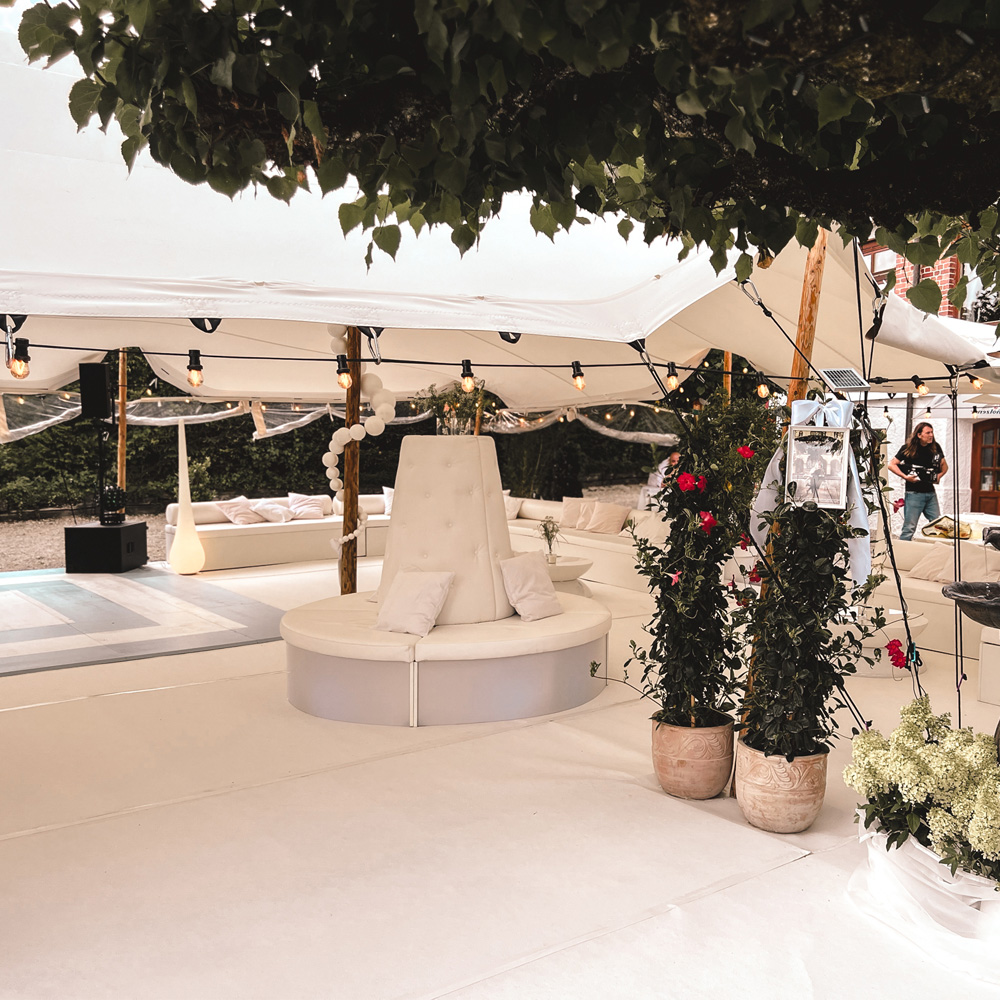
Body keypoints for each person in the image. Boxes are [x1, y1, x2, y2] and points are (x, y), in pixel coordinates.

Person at [888, 422, 948, 540]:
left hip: (930, 493)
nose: (931, 435)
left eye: (932, 432)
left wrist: (938, 476)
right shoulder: (908, 448)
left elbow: (944, 466)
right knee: (909, 528)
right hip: (914, 493)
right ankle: (902, 550)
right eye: (928, 433)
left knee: (937, 524)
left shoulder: (935, 447)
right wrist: (905, 477)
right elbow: (891, 464)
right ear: (919, 435)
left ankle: (937, 549)